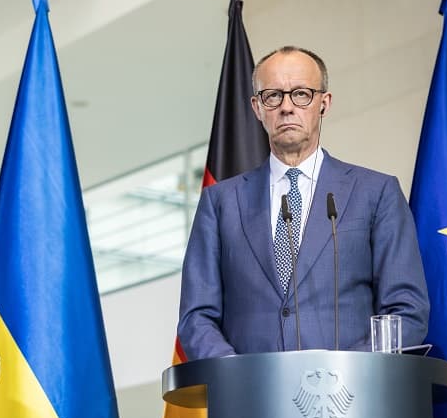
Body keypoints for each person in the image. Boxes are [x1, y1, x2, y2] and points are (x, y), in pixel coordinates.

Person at [178, 46, 429, 359]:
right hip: (251, 399)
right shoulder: (219, 203)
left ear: (324, 103)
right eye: (273, 96)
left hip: (351, 398)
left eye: (301, 94)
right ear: (257, 108)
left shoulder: (376, 193)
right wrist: (235, 373)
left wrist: (349, 369)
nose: (286, 107)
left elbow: (406, 309)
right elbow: (196, 316)